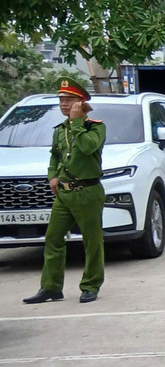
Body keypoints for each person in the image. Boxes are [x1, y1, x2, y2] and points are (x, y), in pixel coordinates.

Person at [25, 80, 105, 305]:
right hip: (64, 192)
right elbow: (55, 155)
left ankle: (90, 285)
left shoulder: (95, 127)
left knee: (92, 241)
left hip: (88, 191)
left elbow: (89, 147)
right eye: (61, 100)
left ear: (80, 103)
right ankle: (50, 287)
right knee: (53, 238)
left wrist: (78, 123)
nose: (63, 104)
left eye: (68, 100)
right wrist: (53, 174)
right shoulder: (60, 131)